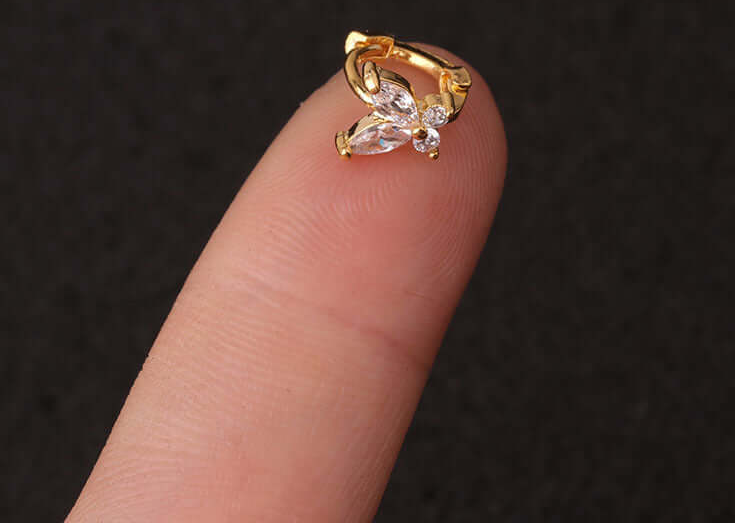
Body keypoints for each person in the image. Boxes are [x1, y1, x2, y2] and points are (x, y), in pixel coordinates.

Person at [68, 48, 506, 521]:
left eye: (424, 136)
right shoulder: (413, 115)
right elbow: (388, 95)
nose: (422, 136)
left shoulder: (430, 115)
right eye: (423, 135)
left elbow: (444, 91)